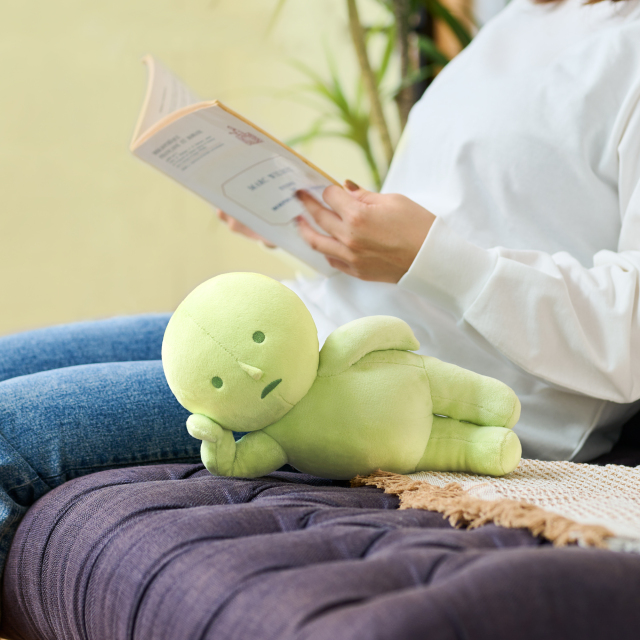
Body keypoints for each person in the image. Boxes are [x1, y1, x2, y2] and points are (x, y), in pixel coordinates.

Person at [1, 0, 639, 579]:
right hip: (312, 320)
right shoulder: (518, 23)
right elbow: (467, 222)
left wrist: (426, 253)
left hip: (398, 387)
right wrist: (311, 225)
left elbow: (628, 333)